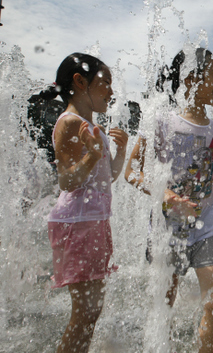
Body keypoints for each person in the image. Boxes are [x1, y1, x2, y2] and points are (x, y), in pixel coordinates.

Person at [125, 46, 213, 353]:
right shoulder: (162, 122)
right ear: (189, 78)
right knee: (164, 304)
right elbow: (132, 171)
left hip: (207, 226)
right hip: (167, 229)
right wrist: (167, 195)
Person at [43, 53, 128, 353]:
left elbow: (107, 179)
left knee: (91, 313)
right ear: (80, 82)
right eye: (105, 83)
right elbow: (67, 181)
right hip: (76, 224)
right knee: (84, 314)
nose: (111, 91)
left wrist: (120, 153)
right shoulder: (69, 123)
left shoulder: (94, 129)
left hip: (93, 222)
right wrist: (92, 155)